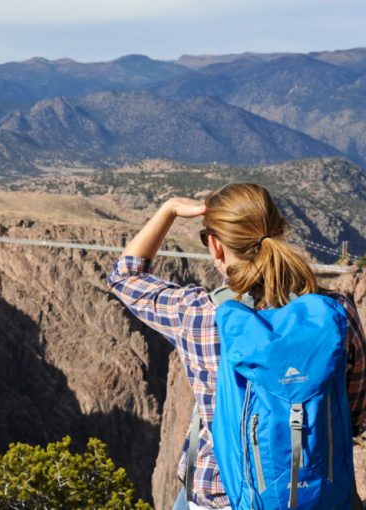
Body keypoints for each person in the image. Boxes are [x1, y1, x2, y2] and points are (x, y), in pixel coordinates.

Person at [106, 183, 366, 509]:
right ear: (279, 231)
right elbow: (354, 414)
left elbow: (124, 275)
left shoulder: (200, 314)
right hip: (319, 495)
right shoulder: (336, 313)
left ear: (215, 246)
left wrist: (170, 208)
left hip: (217, 498)